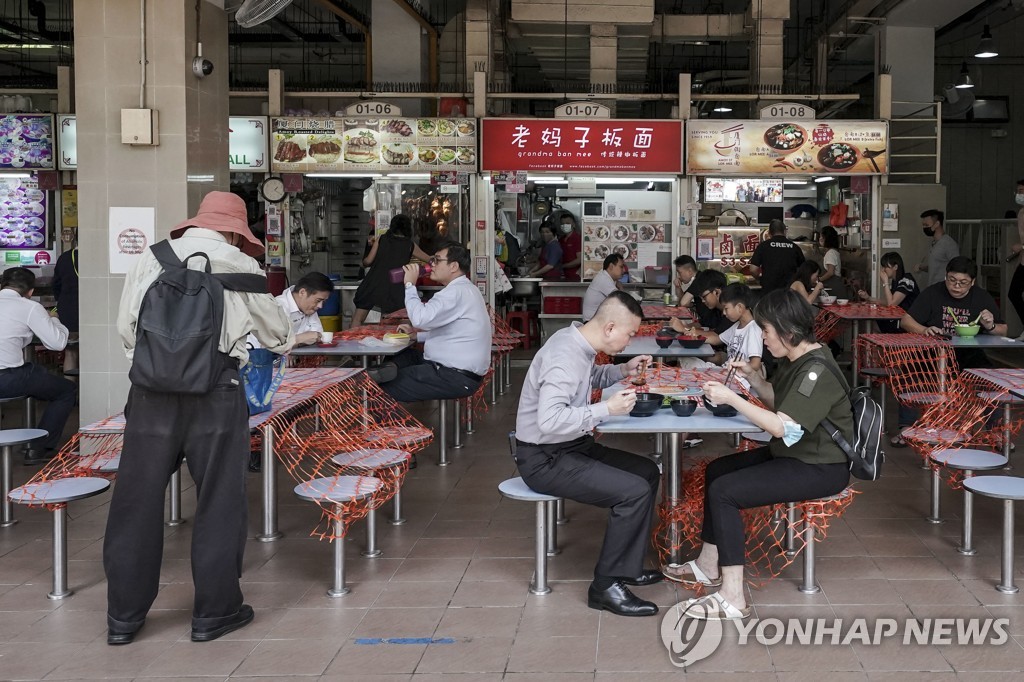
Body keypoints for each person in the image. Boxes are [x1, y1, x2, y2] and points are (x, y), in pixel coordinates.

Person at [105, 191, 293, 646]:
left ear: (196, 222)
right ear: (234, 230)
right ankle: (214, 613)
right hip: (216, 394)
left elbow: (126, 328)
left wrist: (158, 368)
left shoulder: (152, 259)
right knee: (218, 503)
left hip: (150, 397)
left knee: (136, 502)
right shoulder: (239, 265)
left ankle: (123, 619)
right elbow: (279, 335)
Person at [663, 289, 851, 620]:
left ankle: (733, 597)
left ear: (787, 331)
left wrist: (733, 399)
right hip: (796, 454)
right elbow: (781, 403)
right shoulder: (799, 359)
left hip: (820, 465)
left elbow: (784, 428)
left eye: (765, 330)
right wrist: (753, 380)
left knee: (725, 492)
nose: (762, 338)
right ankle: (709, 565)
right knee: (718, 471)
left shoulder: (814, 371)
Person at [515, 291, 663, 616]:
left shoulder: (578, 344)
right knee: (633, 492)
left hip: (571, 445)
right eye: (630, 334)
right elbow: (550, 420)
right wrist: (606, 409)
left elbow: (588, 378)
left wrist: (621, 371)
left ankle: (628, 566)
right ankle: (605, 586)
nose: (630, 341)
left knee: (648, 472)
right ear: (610, 328)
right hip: (544, 457)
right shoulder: (564, 353)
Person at [370, 243, 491, 403]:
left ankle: (380, 385)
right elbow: (453, 331)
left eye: (437, 260)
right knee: (407, 355)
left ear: (453, 266)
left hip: (453, 375)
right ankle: (385, 371)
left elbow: (421, 319)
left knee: (379, 389)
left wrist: (409, 285)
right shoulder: (466, 289)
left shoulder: (454, 292)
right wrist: (417, 336)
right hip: (452, 370)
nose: (431, 264)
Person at [0, 267, 75, 464]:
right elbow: (57, 343)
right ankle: (39, 449)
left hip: (14, 374)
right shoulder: (29, 307)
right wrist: (55, 320)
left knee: (35, 372)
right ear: (31, 291)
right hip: (8, 378)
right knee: (66, 390)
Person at [901, 256, 1006, 370]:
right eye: (952, 280)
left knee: (987, 376)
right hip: (932, 352)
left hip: (968, 354)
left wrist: (991, 326)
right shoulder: (933, 293)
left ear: (972, 282)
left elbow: (1003, 331)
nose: (956, 286)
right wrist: (924, 330)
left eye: (963, 282)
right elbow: (906, 320)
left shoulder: (982, 298)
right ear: (946, 276)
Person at [352, 214, 432, 327]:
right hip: (394, 287)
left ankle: (352, 339)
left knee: (358, 319)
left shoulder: (381, 239)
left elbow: (367, 262)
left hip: (373, 282)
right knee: (389, 322)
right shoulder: (410, 245)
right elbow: (429, 259)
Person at [675, 284, 763, 375]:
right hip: (725, 371)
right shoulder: (737, 326)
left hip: (734, 377)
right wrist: (693, 333)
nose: (724, 313)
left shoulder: (753, 329)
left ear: (740, 307)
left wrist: (734, 371)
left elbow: (755, 364)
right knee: (685, 360)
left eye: (726, 308)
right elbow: (717, 339)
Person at [856, 251, 919, 333]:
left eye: (885, 267)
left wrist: (885, 282)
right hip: (898, 318)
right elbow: (888, 301)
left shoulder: (906, 280)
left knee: (876, 325)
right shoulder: (895, 281)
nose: (883, 270)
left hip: (908, 321)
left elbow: (891, 304)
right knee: (875, 322)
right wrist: (868, 298)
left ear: (895, 267)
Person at [749, 219, 805, 294]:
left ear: (769, 233)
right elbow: (803, 270)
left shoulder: (763, 246)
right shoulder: (795, 247)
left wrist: (759, 279)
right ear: (785, 231)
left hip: (769, 291)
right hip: (789, 292)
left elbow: (753, 269)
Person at [670, 269, 732, 337]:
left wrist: (683, 329)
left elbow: (716, 337)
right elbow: (703, 323)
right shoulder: (714, 309)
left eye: (704, 297)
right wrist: (685, 325)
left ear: (716, 292)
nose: (702, 301)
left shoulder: (730, 310)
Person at [276, 271, 332, 345]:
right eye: (318, 300)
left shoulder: (309, 309)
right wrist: (299, 339)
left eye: (323, 301)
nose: (320, 306)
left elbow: (318, 335)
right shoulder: (277, 307)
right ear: (302, 292)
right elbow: (268, 344)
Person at [52, 245, 79, 373]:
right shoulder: (99, 256)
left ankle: (71, 389)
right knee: (94, 350)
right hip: (95, 309)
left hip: (68, 309)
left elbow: (56, 285)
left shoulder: (65, 258)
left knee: (70, 352)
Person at [915, 209, 959, 287]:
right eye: (923, 225)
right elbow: (937, 267)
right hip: (933, 289)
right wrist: (923, 268)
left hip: (943, 290)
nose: (924, 228)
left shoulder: (948, 244)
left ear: (937, 224)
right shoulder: (934, 243)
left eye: (926, 225)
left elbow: (957, 268)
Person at [582, 253, 625, 322]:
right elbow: (621, 300)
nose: (624, 270)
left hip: (598, 321)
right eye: (621, 267)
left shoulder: (607, 277)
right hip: (591, 323)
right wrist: (621, 288)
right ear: (611, 266)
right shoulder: (603, 279)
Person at [1006, 179, 1024, 338]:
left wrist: (1022, 246)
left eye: (1022, 191)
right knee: (1014, 293)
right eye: (1017, 191)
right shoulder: (1021, 213)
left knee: (1015, 293)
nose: (1019, 194)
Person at [557, 211, 582, 281]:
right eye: (562, 224)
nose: (565, 226)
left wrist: (563, 266)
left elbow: (579, 260)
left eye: (567, 223)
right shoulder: (561, 240)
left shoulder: (577, 238)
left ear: (573, 225)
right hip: (563, 275)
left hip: (575, 276)